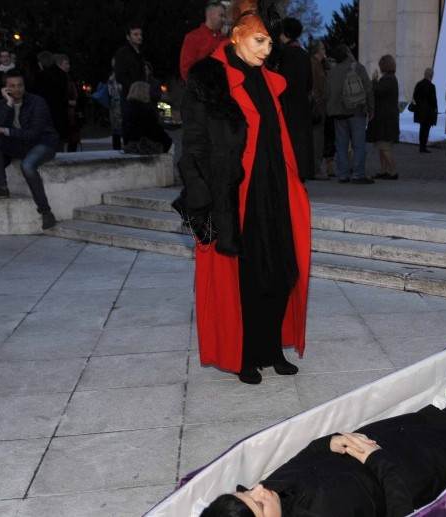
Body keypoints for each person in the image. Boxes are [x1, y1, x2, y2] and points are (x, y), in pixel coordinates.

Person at [202, 347, 446, 517]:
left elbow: (301, 459)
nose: (260, 488)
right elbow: (400, 512)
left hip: (376, 445)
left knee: (429, 420)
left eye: (246, 491)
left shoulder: (270, 492)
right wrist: (376, 459)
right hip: (407, 472)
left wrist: (329, 443)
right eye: (257, 503)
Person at [176, 0, 310, 384]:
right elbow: (194, 142)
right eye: (259, 41)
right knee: (246, 277)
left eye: (270, 43)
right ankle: (246, 355)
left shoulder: (268, 79)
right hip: (235, 194)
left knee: (281, 270)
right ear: (236, 36)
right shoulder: (209, 78)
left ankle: (272, 348)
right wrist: (199, 193)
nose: (267, 50)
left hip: (275, 189)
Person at [0, 69, 60, 230]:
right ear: (6, 88)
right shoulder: (2, 104)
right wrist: (8, 104)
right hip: (21, 144)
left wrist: (4, 130)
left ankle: (46, 212)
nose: (17, 89)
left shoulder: (37, 102)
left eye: (20, 85)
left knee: (27, 166)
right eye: (12, 86)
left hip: (43, 143)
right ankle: (0, 187)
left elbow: (33, 134)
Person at [325, 44, 374, 184]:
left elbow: (327, 93)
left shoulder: (332, 72)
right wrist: (371, 109)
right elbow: (368, 89)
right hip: (356, 110)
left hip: (338, 113)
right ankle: (358, 174)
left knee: (341, 145)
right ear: (348, 53)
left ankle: (343, 174)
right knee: (358, 144)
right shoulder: (357, 68)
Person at [276, 18, 314, 182]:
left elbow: (281, 82)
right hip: (301, 105)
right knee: (301, 144)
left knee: (289, 142)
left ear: (285, 34)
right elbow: (309, 83)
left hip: (286, 105)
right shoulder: (304, 55)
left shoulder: (284, 55)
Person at [180, 1, 229, 82]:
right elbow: (186, 69)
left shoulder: (226, 41)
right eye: (221, 15)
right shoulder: (193, 37)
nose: (223, 20)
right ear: (210, 15)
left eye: (224, 16)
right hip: (202, 86)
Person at [368, 55, 400, 179]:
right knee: (382, 146)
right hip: (386, 118)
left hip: (385, 119)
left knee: (385, 146)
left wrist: (374, 80)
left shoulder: (388, 79)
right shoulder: (390, 78)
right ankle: (384, 170)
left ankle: (393, 171)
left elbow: (378, 91)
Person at [115, 22, 148, 134]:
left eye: (140, 34)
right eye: (135, 34)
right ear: (128, 37)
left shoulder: (140, 53)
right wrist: (133, 87)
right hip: (130, 96)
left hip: (142, 96)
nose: (139, 37)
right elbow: (119, 76)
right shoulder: (122, 53)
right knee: (130, 125)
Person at [122, 81, 172, 154]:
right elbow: (155, 131)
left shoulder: (128, 107)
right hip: (143, 145)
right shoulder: (146, 110)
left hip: (130, 145)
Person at [308, 41, 328, 179]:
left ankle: (316, 167)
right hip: (317, 106)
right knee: (317, 139)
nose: (324, 50)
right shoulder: (314, 64)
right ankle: (316, 168)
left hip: (318, 105)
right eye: (322, 48)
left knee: (317, 138)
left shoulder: (318, 64)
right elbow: (316, 85)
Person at [412, 68, 438, 153]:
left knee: (422, 128)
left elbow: (414, 96)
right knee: (426, 130)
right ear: (431, 75)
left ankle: (421, 146)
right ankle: (423, 147)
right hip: (428, 112)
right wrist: (435, 109)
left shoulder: (419, 84)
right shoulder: (431, 86)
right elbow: (433, 100)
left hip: (419, 111)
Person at [107, 62, 125, 151]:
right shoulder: (112, 78)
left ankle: (118, 147)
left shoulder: (115, 77)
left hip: (118, 104)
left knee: (118, 127)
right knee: (116, 127)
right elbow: (112, 92)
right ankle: (117, 147)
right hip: (116, 104)